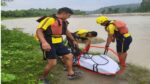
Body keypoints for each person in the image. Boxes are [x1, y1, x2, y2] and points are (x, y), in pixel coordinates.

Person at [36, 7, 81, 82]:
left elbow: (66, 31)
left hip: (59, 42)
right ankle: (42, 78)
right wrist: (44, 42)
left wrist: (73, 40)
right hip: (48, 42)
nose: (69, 17)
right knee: (53, 63)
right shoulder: (49, 19)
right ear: (64, 13)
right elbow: (39, 31)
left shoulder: (64, 22)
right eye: (69, 15)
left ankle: (70, 73)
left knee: (69, 56)